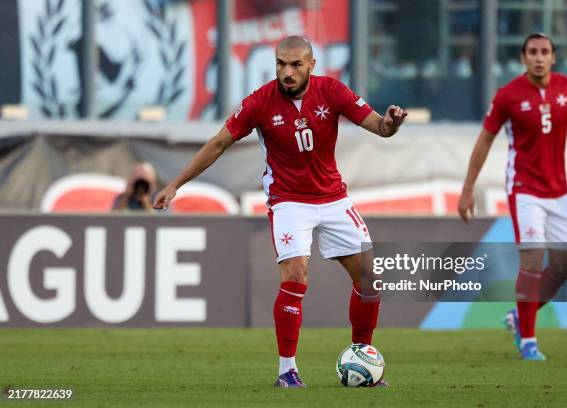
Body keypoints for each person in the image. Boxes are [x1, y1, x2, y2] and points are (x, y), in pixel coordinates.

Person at [154, 36, 406, 387]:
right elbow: (218, 143)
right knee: (296, 274)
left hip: (333, 198)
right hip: (289, 202)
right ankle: (287, 371)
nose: (287, 72)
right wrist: (175, 185)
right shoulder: (259, 102)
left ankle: (362, 358)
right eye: (280, 64)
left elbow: (380, 127)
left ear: (311, 65)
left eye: (295, 65)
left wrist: (392, 122)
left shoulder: (332, 91)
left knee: (369, 281)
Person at [458, 33, 567, 361]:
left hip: (560, 192)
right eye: (533, 52)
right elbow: (485, 140)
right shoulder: (508, 95)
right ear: (523, 57)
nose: (539, 57)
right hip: (524, 191)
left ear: (553, 57)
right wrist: (468, 188)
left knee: (565, 266)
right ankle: (529, 342)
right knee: (533, 261)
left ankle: (519, 316)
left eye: (545, 52)